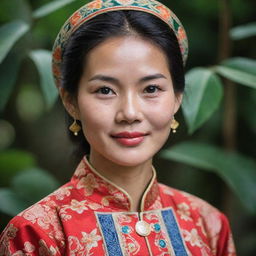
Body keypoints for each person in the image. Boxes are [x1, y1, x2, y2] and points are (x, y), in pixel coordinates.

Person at [0, 0, 236, 255]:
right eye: (105, 90)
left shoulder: (208, 225)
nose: (130, 113)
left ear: (177, 97)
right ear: (71, 102)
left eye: (151, 89)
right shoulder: (37, 233)